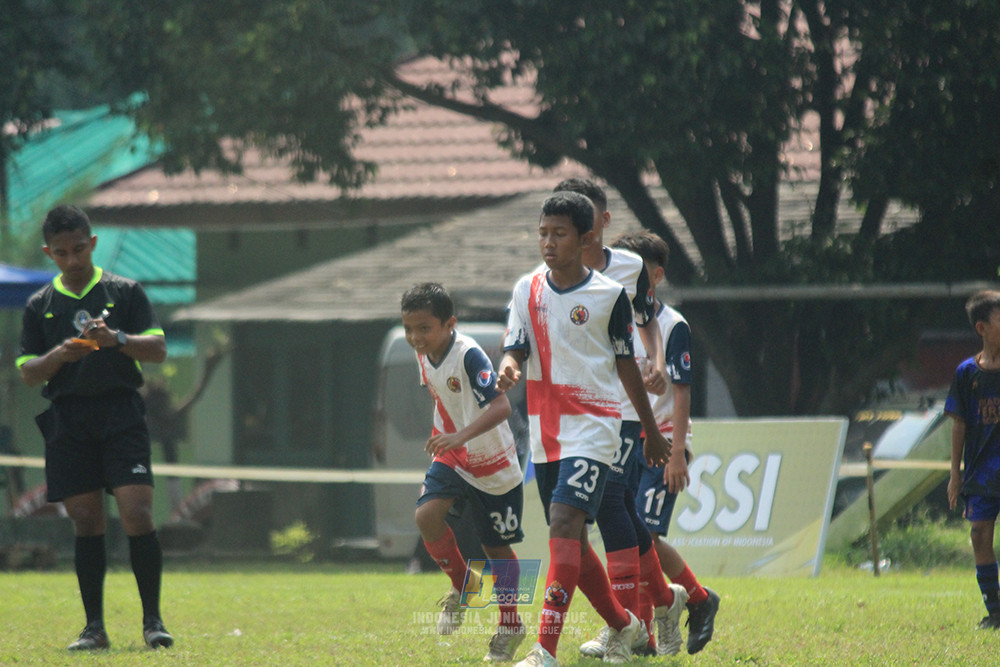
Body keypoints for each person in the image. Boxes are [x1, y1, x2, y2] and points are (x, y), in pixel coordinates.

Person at [498, 191, 670, 666]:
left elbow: (627, 365)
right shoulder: (526, 289)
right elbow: (515, 345)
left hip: (594, 430)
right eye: (542, 233)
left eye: (559, 234)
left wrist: (652, 430)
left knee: (563, 524)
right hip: (545, 431)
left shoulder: (609, 296)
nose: (548, 243)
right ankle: (625, 624)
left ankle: (544, 650)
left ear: (586, 238)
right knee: (572, 539)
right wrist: (510, 366)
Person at [15, 205, 172, 651]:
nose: (72, 260)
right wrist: (59, 355)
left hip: (121, 414)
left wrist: (117, 339)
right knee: (86, 520)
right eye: (62, 252)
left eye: (79, 249)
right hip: (69, 419)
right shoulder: (40, 306)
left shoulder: (125, 292)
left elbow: (158, 349)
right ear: (49, 252)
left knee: (137, 513)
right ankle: (94, 628)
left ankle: (153, 622)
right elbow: (28, 372)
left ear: (93, 244)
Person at [551, 179, 679, 659]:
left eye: (585, 217)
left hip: (621, 407)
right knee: (615, 505)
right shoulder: (547, 276)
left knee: (607, 505)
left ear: (602, 221)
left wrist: (656, 362)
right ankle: (665, 601)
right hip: (572, 412)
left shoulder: (628, 268)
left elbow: (648, 319)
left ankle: (625, 625)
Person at [401, 282, 527, 662]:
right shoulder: (423, 354)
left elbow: (502, 407)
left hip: (493, 461)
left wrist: (459, 435)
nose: (415, 337)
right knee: (426, 516)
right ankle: (464, 585)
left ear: (449, 324)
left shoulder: (469, 355)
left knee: (495, 547)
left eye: (424, 328)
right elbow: (444, 397)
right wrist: (448, 437)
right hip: (454, 455)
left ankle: (510, 625)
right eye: (409, 329)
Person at [612, 230, 720, 655]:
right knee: (630, 537)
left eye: (633, 270)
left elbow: (681, 391)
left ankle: (696, 599)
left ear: (655, 277)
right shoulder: (612, 318)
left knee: (648, 537)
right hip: (622, 440)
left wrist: (677, 453)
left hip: (661, 444)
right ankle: (649, 631)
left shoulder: (673, 325)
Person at [946, 289, 1000, 630]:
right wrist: (955, 474)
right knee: (979, 535)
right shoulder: (967, 373)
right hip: (982, 474)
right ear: (982, 328)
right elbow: (959, 424)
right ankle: (995, 612)